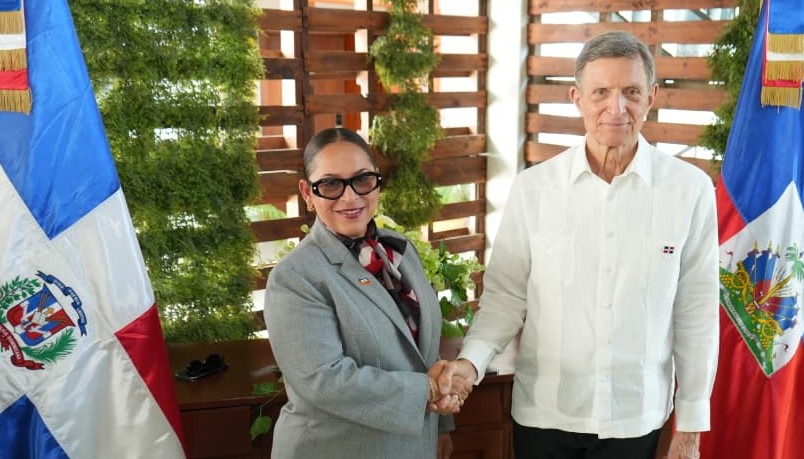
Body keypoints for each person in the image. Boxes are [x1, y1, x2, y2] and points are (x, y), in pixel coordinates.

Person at [439, 31, 719, 459]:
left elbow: (696, 313)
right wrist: (470, 363)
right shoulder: (534, 189)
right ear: (577, 98)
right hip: (544, 415)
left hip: (636, 420)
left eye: (631, 92)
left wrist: (692, 427)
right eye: (600, 92)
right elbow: (505, 297)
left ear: (651, 97)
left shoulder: (690, 191)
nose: (616, 108)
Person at [264, 127, 472, 459]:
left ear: (376, 180)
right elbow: (324, 381)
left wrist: (441, 424)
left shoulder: (400, 250)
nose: (350, 197)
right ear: (307, 192)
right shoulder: (295, 277)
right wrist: (431, 389)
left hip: (413, 444)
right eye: (330, 184)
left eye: (362, 179)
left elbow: (423, 349)